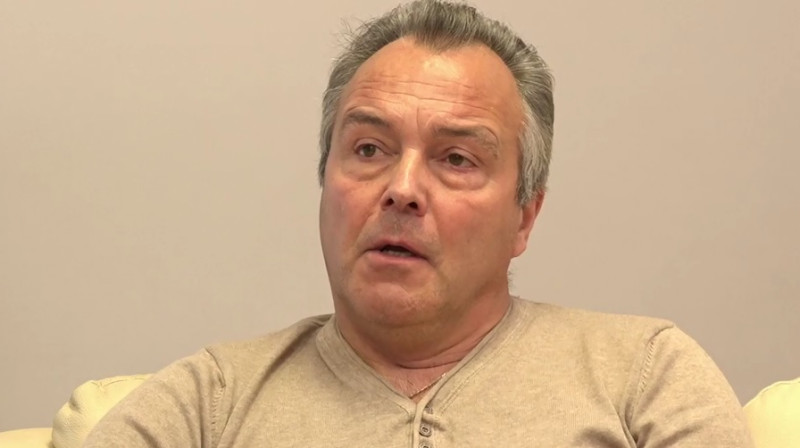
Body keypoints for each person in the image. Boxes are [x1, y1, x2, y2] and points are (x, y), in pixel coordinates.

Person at [84, 1, 754, 446]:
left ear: (525, 215)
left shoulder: (642, 374)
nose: (401, 189)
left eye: (456, 159)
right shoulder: (211, 401)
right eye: (369, 149)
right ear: (325, 179)